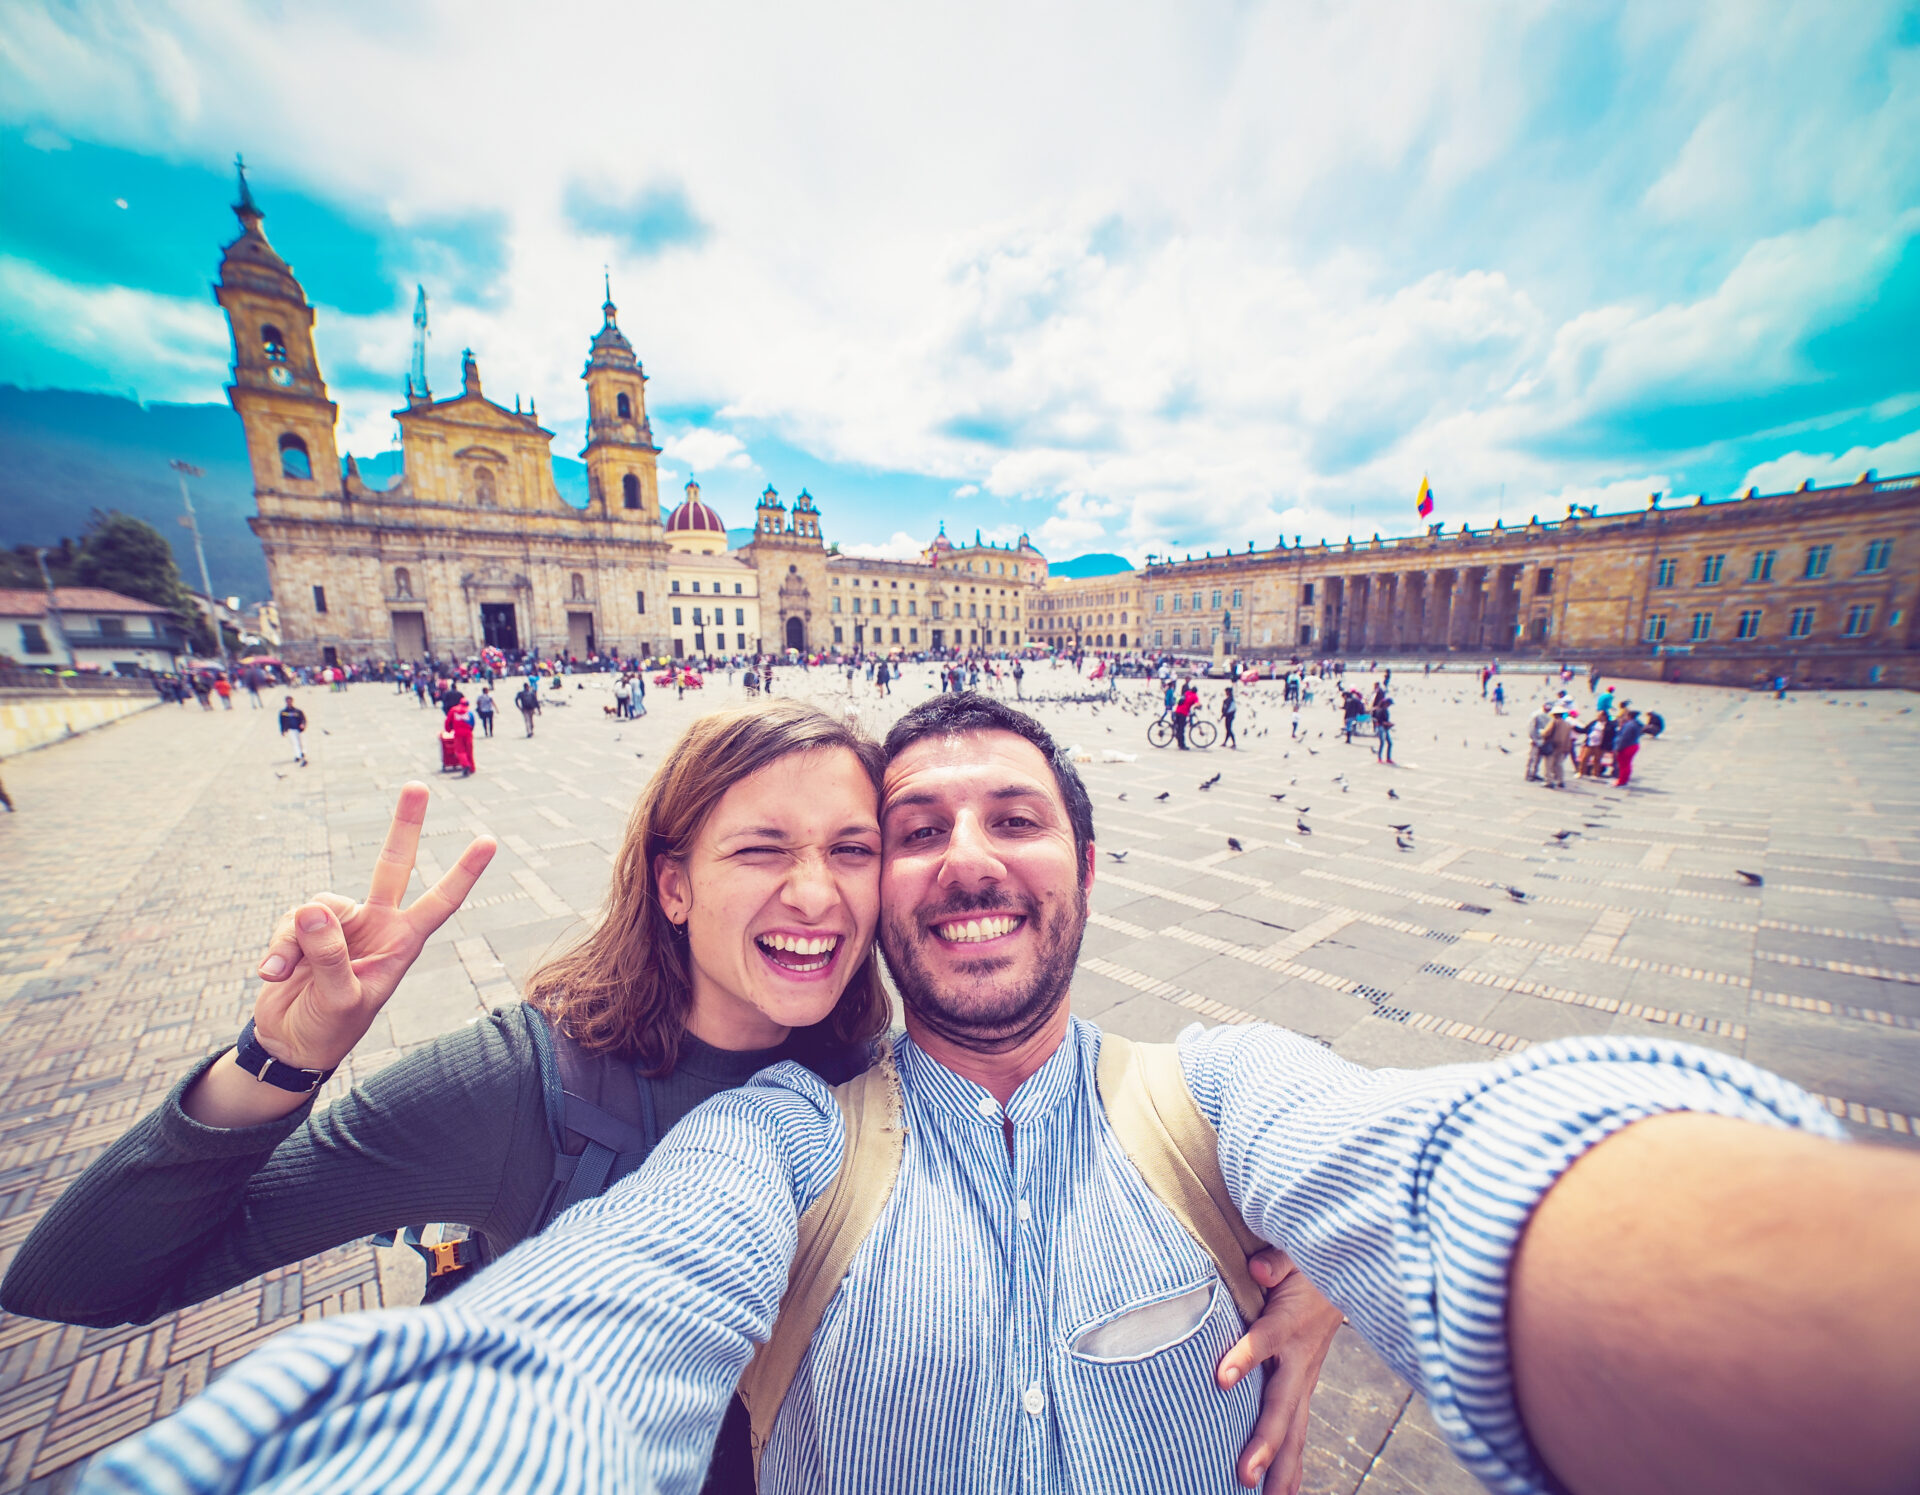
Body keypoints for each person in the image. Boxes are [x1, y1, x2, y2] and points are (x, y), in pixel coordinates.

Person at [91, 695, 1920, 1495]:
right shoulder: (762, 1134)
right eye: (912, 829)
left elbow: (1437, 1169)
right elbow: (580, 1341)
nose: (958, 858)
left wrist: (1352, 1263)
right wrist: (287, 1055)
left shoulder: (1227, 1095)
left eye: (1014, 817)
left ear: (1088, 866)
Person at [1542, 706, 1574, 789]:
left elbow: (1546, 733)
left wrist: (1541, 732)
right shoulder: (1567, 724)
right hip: (1562, 747)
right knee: (1559, 765)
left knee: (1548, 765)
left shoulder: (1554, 722)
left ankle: (1549, 781)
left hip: (1552, 746)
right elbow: (1568, 738)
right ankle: (1561, 781)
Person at [1614, 705, 1644, 788]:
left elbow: (1624, 738)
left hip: (1627, 746)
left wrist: (1618, 749)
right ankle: (1624, 780)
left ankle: (1621, 781)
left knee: (1623, 765)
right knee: (1627, 764)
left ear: (1629, 716)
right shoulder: (1636, 724)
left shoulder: (1629, 725)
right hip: (1634, 744)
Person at [1524, 700, 1552, 782]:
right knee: (1532, 758)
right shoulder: (1536, 715)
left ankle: (1534, 773)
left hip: (1544, 739)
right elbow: (1531, 728)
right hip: (1536, 739)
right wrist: (1533, 739)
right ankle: (1529, 774)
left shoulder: (1550, 715)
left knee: (1538, 759)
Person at [276, 696, 306, 767]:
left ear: (292, 701)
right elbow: (281, 722)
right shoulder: (283, 712)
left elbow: (303, 719)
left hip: (298, 729)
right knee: (294, 743)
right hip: (290, 730)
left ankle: (302, 752)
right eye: (287, 701)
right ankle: (297, 755)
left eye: (290, 701)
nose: (289, 702)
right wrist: (282, 730)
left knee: (301, 742)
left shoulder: (298, 711)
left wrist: (303, 724)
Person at [1172, 678, 1197, 749]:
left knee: (1178, 727)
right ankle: (1182, 745)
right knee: (1181, 729)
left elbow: (1180, 696)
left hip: (1177, 710)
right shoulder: (1194, 696)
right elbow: (1197, 704)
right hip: (1183, 713)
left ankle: (1178, 741)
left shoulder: (1187, 693)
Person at [1372, 691, 1393, 764]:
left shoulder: (1382, 709)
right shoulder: (1381, 710)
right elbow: (1380, 721)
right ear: (1386, 704)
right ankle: (1381, 758)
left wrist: (1388, 723)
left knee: (1389, 743)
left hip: (1384, 728)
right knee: (1383, 743)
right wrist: (1388, 723)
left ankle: (1387, 758)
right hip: (1381, 728)